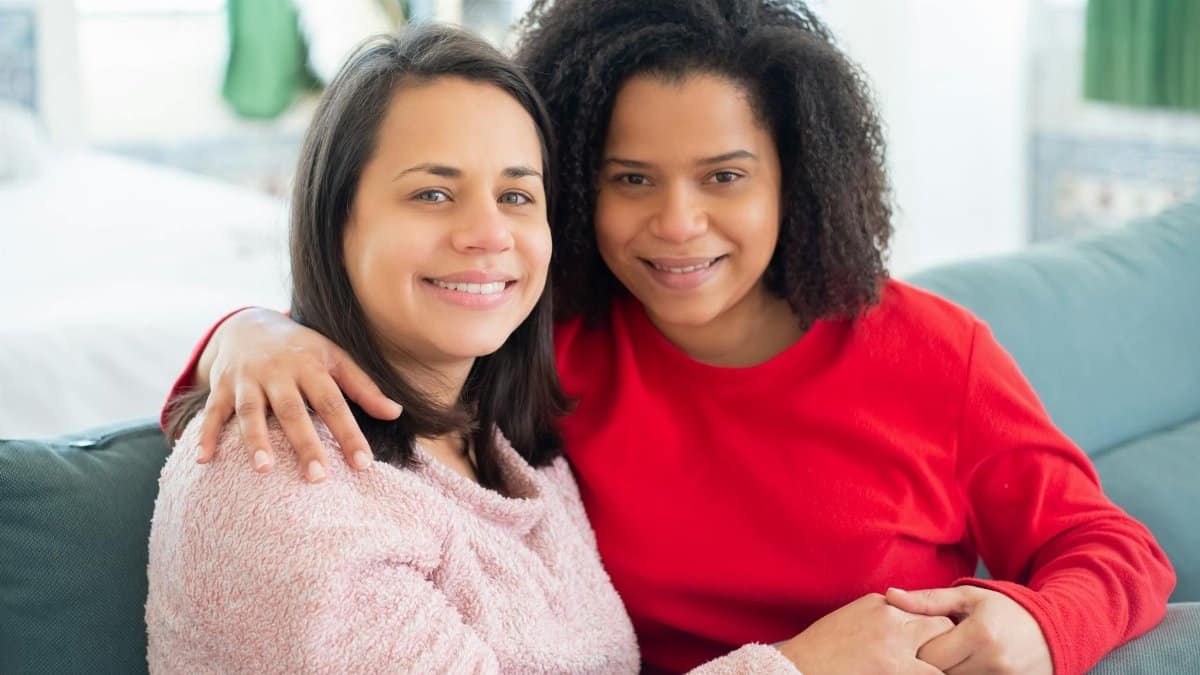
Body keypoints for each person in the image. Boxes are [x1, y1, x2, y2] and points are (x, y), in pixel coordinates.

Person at [163, 2, 1176, 674]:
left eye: (725, 177)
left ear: (797, 179)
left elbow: (1110, 547)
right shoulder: (553, 344)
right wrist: (245, 333)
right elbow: (383, 344)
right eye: (631, 179)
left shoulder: (932, 353)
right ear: (580, 187)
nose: (678, 224)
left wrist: (1042, 625)